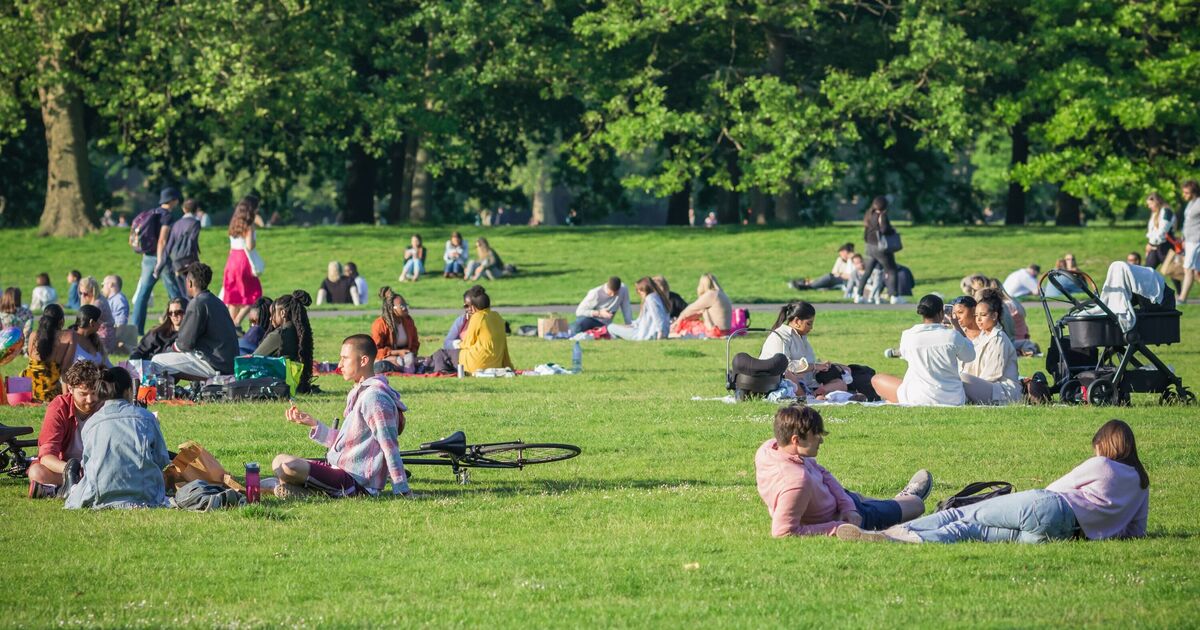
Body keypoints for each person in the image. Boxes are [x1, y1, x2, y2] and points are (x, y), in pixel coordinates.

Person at [839, 420, 1148, 544]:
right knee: (973, 532)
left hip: (1048, 506)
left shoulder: (1101, 464)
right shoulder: (1141, 484)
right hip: (1066, 536)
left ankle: (886, 532)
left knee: (960, 514)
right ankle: (897, 539)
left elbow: (1057, 487)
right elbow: (1136, 531)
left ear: (1104, 445)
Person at [755, 405, 931, 537]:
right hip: (849, 518)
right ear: (796, 440)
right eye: (816, 435)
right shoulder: (796, 482)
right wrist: (837, 527)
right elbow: (783, 532)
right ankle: (908, 502)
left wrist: (847, 505)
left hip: (843, 502)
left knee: (859, 498)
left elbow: (822, 472)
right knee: (916, 504)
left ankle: (888, 502)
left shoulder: (770, 448)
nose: (821, 441)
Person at [271, 334, 413, 498]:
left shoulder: (375, 398)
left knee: (285, 465)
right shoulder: (359, 392)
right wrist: (313, 424)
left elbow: (390, 446)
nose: (340, 365)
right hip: (340, 469)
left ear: (363, 361)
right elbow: (349, 443)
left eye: (345, 359)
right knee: (277, 469)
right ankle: (305, 492)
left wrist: (402, 489)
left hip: (357, 482)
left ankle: (308, 491)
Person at [64, 367, 171, 510]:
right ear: (129, 391)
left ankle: (72, 488)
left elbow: (88, 465)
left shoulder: (91, 424)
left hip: (100, 496)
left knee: (77, 492)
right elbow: (161, 460)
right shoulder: (146, 418)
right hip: (146, 496)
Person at [871, 295, 976, 406]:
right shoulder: (953, 336)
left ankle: (892, 400)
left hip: (917, 397)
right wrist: (957, 327)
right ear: (942, 313)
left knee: (876, 379)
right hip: (952, 398)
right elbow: (970, 356)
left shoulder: (908, 335)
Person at [27, 361, 105, 498]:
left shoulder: (105, 406)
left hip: (99, 466)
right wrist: (72, 471)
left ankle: (58, 491)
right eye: (83, 394)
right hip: (68, 467)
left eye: (94, 393)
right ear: (70, 389)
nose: (90, 399)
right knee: (36, 472)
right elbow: (46, 456)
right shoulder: (58, 407)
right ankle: (83, 485)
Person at [152, 263, 239, 379]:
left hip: (216, 366)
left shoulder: (197, 303)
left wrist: (168, 351)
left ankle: (211, 383)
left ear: (190, 283)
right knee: (174, 358)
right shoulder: (217, 301)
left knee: (158, 361)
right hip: (227, 363)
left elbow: (184, 344)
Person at [759, 301, 846, 397]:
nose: (811, 328)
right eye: (809, 324)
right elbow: (784, 367)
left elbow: (809, 363)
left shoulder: (801, 337)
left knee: (841, 383)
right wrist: (815, 366)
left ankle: (814, 395)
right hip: (780, 381)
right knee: (789, 375)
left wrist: (824, 367)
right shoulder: (780, 335)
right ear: (797, 321)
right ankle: (805, 398)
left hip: (805, 383)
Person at [130, 187, 183, 335]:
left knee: (143, 293)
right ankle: (183, 326)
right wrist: (160, 261)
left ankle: (136, 329)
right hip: (160, 258)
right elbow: (162, 240)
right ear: (172, 200)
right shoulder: (167, 216)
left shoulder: (153, 212)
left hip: (147, 257)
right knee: (174, 293)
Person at [960, 292, 1022, 405]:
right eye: (976, 315)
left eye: (983, 315)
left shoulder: (999, 338)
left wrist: (974, 385)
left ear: (994, 316)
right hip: (985, 387)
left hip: (1002, 391)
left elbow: (993, 373)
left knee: (962, 380)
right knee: (956, 379)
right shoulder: (981, 338)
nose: (978, 319)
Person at [254, 290, 315, 393]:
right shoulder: (298, 331)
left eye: (272, 314)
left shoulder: (279, 335)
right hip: (296, 385)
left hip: (278, 385)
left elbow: (253, 358)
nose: (270, 319)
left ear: (283, 313)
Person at [221, 195, 264, 326]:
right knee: (254, 293)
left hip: (232, 259)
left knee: (234, 297)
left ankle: (229, 326)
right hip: (243, 260)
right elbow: (250, 245)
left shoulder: (234, 222)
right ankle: (237, 322)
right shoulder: (249, 224)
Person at [854, 196, 903, 304]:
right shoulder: (882, 215)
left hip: (870, 247)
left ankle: (859, 295)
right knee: (892, 270)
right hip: (881, 248)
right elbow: (885, 230)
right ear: (885, 206)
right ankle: (894, 296)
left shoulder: (869, 215)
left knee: (867, 272)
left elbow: (866, 234)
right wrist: (892, 230)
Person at [459, 285, 514, 373]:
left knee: (443, 354)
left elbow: (467, 343)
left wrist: (456, 343)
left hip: (476, 365)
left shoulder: (477, 317)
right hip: (496, 364)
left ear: (473, 307)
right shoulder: (497, 316)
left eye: (468, 306)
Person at [20, 305, 69, 402]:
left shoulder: (33, 335)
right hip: (50, 393)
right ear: (61, 321)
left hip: (29, 390)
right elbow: (64, 368)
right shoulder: (61, 341)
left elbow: (30, 356)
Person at [157, 198, 203, 292]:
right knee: (193, 290)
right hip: (190, 261)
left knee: (182, 291)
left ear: (184, 209)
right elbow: (192, 242)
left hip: (177, 262)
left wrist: (160, 265)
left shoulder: (176, 224)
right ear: (196, 209)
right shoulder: (195, 223)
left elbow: (168, 246)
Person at [372, 287, 420, 374]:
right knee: (399, 362)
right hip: (385, 357)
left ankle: (407, 370)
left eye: (406, 305)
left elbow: (415, 343)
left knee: (411, 360)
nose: (405, 308)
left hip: (405, 356)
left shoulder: (408, 321)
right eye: (402, 306)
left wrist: (411, 353)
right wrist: (397, 352)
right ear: (392, 309)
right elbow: (375, 350)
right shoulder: (380, 324)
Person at [671, 273, 733, 338]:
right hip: (726, 331)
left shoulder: (711, 295)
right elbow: (697, 313)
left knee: (685, 323)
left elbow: (688, 311)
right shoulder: (721, 294)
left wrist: (677, 322)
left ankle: (672, 334)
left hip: (715, 332)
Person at [790, 243, 855, 291]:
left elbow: (851, 276)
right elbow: (834, 272)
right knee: (828, 276)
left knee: (828, 277)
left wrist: (840, 274)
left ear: (845, 252)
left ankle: (808, 286)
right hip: (836, 277)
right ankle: (806, 283)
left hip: (842, 280)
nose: (841, 256)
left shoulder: (853, 261)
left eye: (842, 254)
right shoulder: (840, 260)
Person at [77, 277, 117, 354]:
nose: (82, 296)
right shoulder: (98, 298)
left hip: (104, 336)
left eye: (85, 293)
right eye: (80, 293)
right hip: (101, 333)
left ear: (92, 291)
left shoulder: (97, 303)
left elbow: (83, 322)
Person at [1143, 192, 1176, 273]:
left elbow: (1162, 231)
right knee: (1146, 272)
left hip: (1166, 247)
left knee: (1172, 273)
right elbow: (1153, 231)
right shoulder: (1155, 214)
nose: (1149, 206)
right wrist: (1150, 244)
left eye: (1150, 204)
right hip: (1155, 247)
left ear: (1156, 202)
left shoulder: (1166, 212)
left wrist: (1150, 244)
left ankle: (1180, 286)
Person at [1179, 180, 1200, 304]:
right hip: (1189, 240)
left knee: (1188, 268)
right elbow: (1187, 222)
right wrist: (1183, 238)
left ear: (1193, 192)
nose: (1184, 195)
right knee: (1196, 271)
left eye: (1186, 192)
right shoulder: (1191, 203)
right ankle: (1182, 297)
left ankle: (1182, 298)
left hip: (1196, 240)